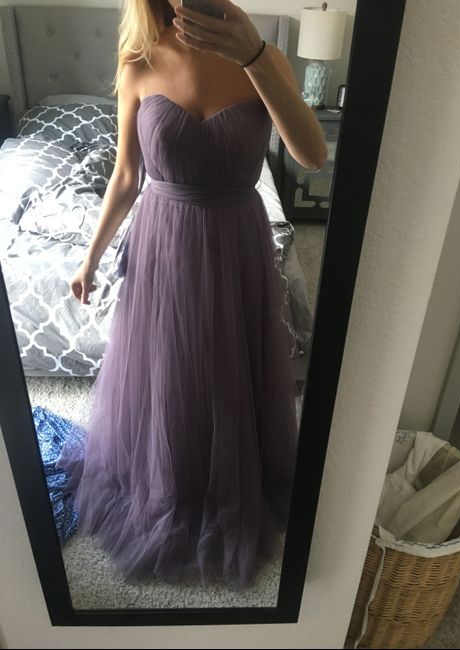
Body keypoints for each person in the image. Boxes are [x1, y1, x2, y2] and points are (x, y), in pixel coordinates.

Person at [56, 0, 327, 590]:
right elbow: (126, 174)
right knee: (170, 369)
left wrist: (254, 56)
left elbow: (312, 155)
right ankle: (173, 481)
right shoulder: (139, 60)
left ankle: (232, 478)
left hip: (237, 242)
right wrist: (91, 257)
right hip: (163, 242)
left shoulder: (264, 56)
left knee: (229, 363)